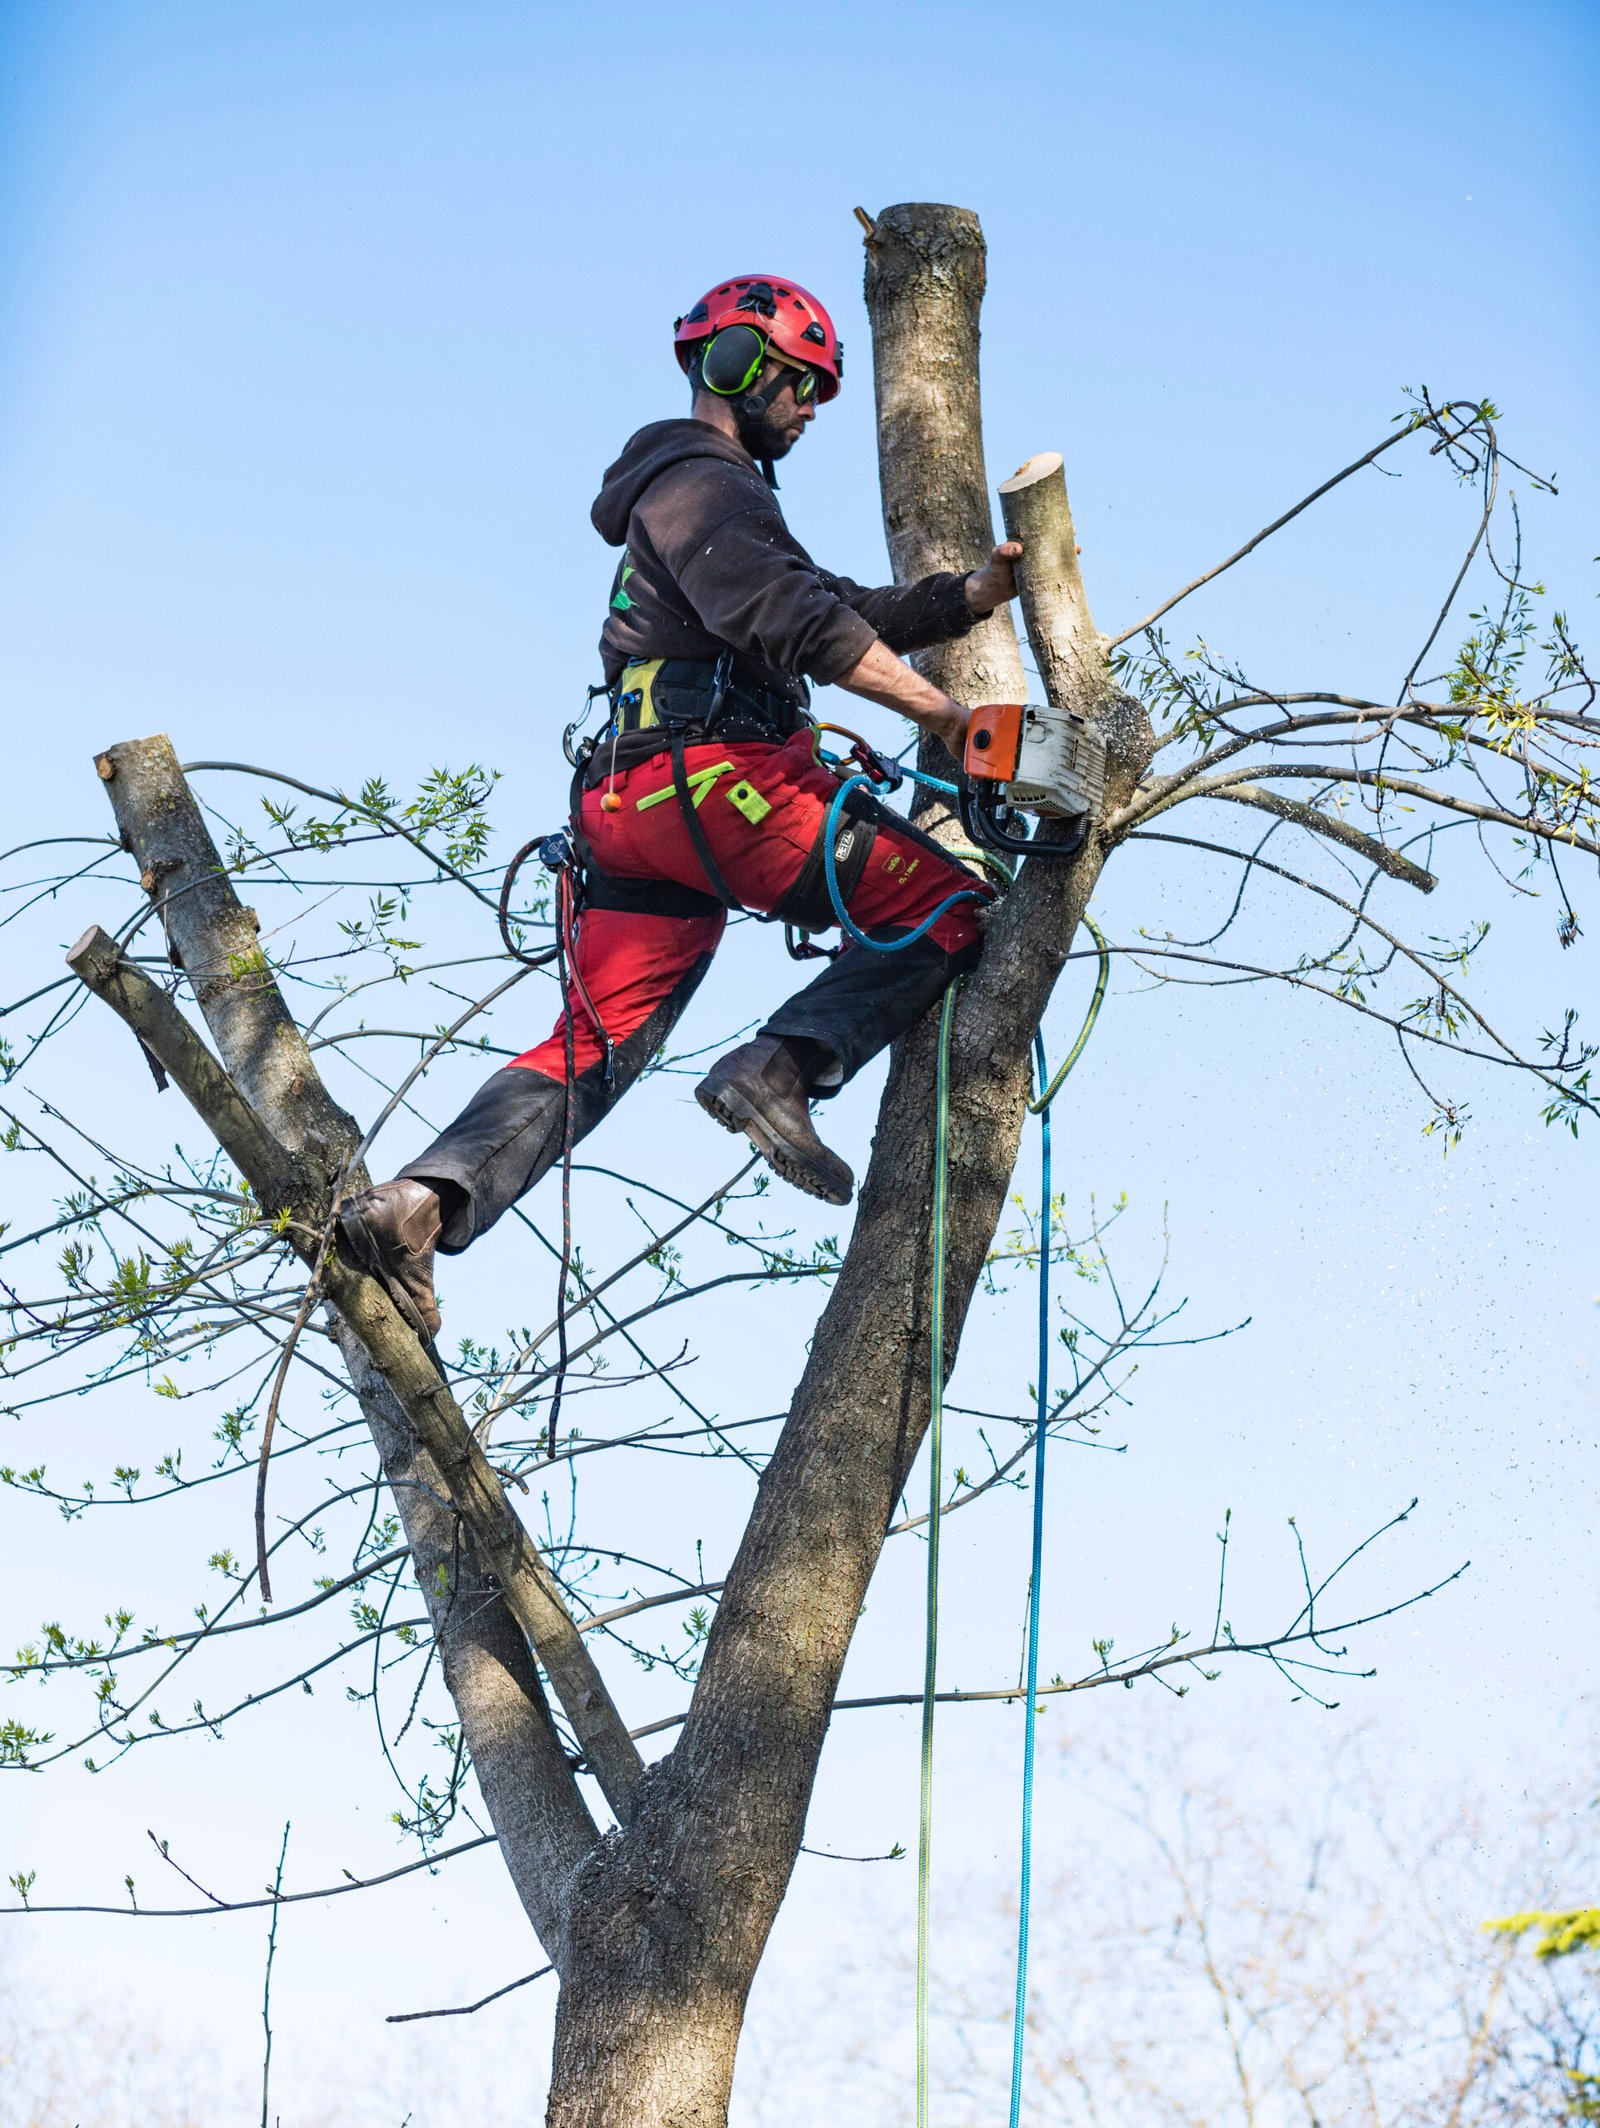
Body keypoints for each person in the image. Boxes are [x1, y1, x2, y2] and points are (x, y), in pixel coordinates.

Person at [338, 272, 1026, 1340]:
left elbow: (827, 597)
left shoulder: (703, 499)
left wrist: (961, 599)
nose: (807, 407)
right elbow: (797, 617)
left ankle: (419, 1205)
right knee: (947, 903)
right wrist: (945, 717)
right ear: (735, 365)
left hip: (632, 806)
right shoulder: (703, 481)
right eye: (798, 383)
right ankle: (779, 1068)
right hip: (719, 787)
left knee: (596, 1041)